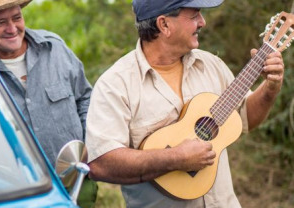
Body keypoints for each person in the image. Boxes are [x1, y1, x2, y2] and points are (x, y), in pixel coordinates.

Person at [85, 0, 284, 207]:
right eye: (194, 15)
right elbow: (101, 164)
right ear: (164, 25)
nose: (203, 22)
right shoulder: (116, 85)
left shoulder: (211, 65)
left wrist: (270, 89)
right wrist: (174, 158)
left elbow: (245, 119)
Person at [0, 0, 96, 207]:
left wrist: (89, 152)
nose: (12, 29)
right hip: (13, 195)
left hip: (76, 182)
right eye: (0, 22)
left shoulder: (55, 48)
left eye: (16, 18)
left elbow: (85, 99)